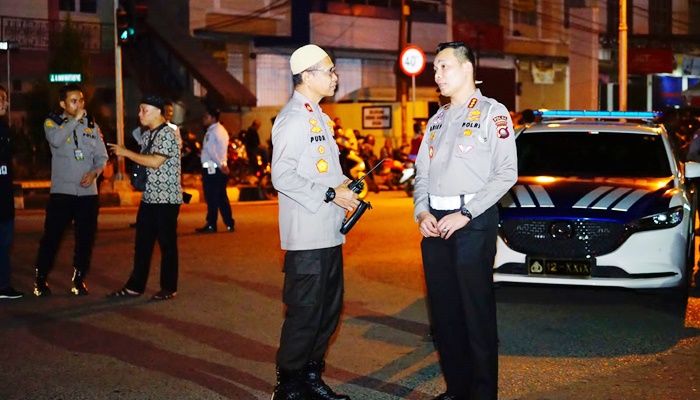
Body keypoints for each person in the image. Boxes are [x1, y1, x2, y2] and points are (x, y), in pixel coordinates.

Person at [413, 41, 517, 400]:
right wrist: (421, 212)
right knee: (444, 314)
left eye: (443, 67)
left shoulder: (493, 113)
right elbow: (421, 175)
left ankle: (483, 393)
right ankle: (457, 389)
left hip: (473, 221)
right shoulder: (437, 120)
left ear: (467, 68)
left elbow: (506, 174)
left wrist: (467, 213)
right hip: (435, 224)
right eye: (435, 69)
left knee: (476, 312)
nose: (437, 75)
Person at [269, 43, 360, 400]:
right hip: (307, 236)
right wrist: (329, 194)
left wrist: (344, 189)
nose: (335, 77)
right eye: (330, 71)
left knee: (327, 312)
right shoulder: (293, 118)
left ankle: (310, 377)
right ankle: (288, 386)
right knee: (305, 314)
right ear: (307, 76)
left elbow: (322, 173)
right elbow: (282, 176)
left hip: (328, 233)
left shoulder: (318, 116)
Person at [33, 84, 108, 297]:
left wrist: (95, 172)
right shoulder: (52, 123)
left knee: (85, 238)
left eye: (81, 100)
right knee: (53, 237)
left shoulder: (91, 125)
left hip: (88, 193)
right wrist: (74, 120)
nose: (79, 104)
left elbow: (102, 156)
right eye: (74, 101)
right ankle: (40, 278)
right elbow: (55, 141)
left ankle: (79, 278)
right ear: (63, 104)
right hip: (62, 192)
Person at [107, 94, 183, 300]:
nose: (140, 114)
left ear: (158, 112)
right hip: (150, 197)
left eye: (144, 110)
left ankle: (169, 287)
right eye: (140, 109)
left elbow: (156, 161)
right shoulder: (149, 134)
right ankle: (135, 286)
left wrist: (127, 153)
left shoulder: (167, 134)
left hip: (166, 198)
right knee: (142, 244)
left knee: (167, 244)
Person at [195, 105, 235, 234]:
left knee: (211, 197)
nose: (204, 119)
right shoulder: (222, 130)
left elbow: (212, 152)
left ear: (212, 118)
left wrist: (220, 166)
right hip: (218, 167)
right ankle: (229, 223)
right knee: (221, 197)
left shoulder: (212, 132)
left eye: (206, 117)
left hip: (213, 169)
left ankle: (211, 224)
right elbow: (218, 151)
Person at [0, 85, 22, 299]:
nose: (5, 103)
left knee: (5, 242)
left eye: (5, 98)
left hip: (4, 197)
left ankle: (3, 285)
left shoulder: (4, 129)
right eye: (0, 98)